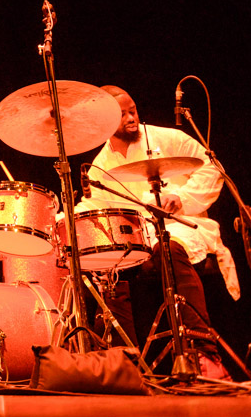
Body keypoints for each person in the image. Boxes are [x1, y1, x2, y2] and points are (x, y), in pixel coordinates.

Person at [82, 85, 238, 379]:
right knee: (109, 265)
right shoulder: (100, 168)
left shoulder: (168, 138)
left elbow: (211, 169)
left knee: (170, 247)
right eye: (122, 114)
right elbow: (95, 205)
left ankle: (204, 354)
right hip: (140, 236)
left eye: (133, 111)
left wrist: (181, 197)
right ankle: (124, 364)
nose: (131, 118)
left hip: (182, 223)